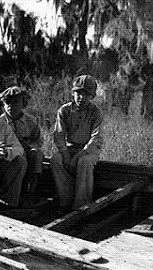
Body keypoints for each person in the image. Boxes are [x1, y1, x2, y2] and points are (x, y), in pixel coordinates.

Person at [50, 75, 104, 211]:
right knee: (56, 160)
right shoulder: (64, 110)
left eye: (86, 94)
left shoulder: (96, 112)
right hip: (69, 148)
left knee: (84, 162)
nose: (81, 97)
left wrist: (80, 154)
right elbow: (59, 135)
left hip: (89, 151)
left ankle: (82, 204)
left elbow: (96, 137)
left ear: (92, 96)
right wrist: (65, 154)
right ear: (73, 93)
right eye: (78, 93)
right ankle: (66, 200)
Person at [0, 86, 43, 198]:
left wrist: (28, 146)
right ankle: (11, 197)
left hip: (26, 153)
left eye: (16, 102)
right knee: (19, 160)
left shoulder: (31, 121)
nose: (11, 106)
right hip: (7, 158)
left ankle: (30, 194)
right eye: (7, 102)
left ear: (23, 103)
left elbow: (39, 140)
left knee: (36, 154)